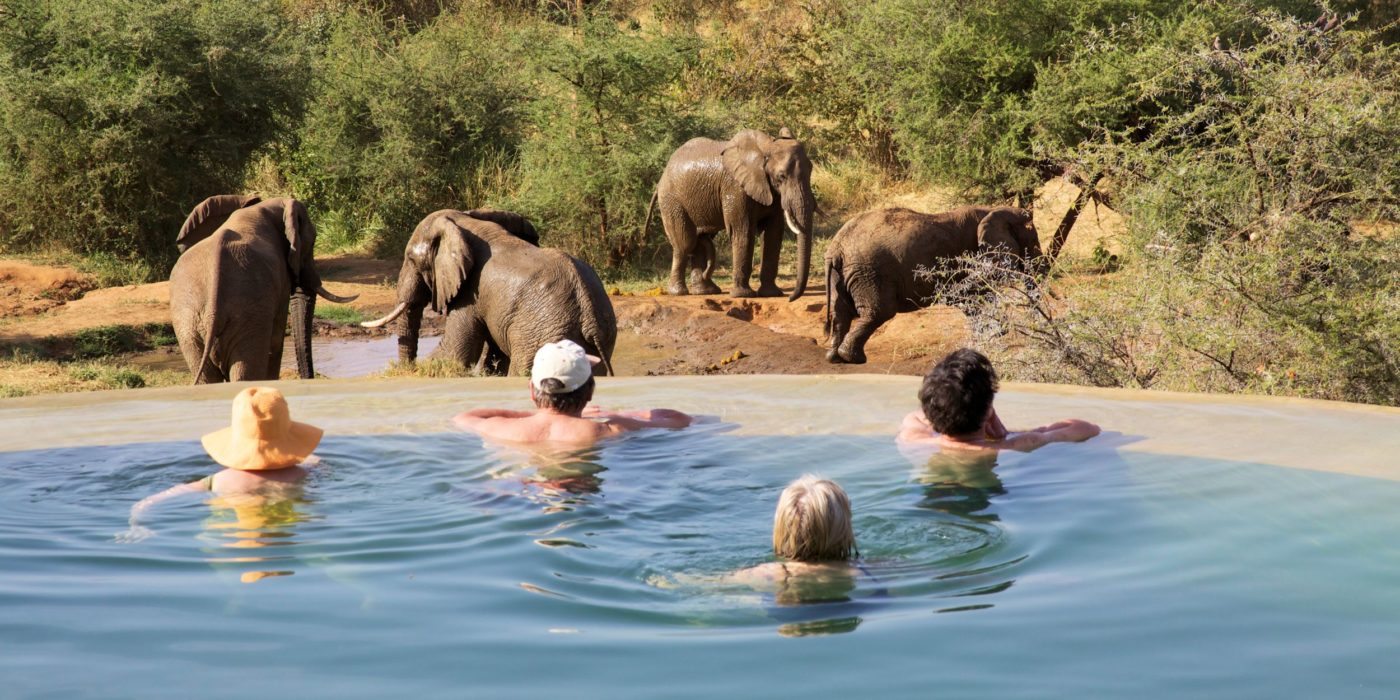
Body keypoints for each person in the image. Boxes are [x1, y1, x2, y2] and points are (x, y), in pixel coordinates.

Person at [118, 386, 324, 544]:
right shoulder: (302, 472)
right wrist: (298, 454)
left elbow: (147, 503)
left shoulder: (216, 481)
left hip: (226, 536)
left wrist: (137, 525)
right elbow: (318, 463)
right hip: (290, 531)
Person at [452, 339, 692, 444]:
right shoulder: (611, 428)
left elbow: (463, 417)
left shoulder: (500, 429)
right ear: (590, 392)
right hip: (588, 500)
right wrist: (623, 413)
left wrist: (533, 416)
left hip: (522, 497)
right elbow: (680, 420)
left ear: (532, 391)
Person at [898, 348, 1100, 452]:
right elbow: (1088, 428)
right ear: (988, 410)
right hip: (985, 502)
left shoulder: (914, 439)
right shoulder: (1014, 446)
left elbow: (917, 416)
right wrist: (1004, 434)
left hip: (930, 501)